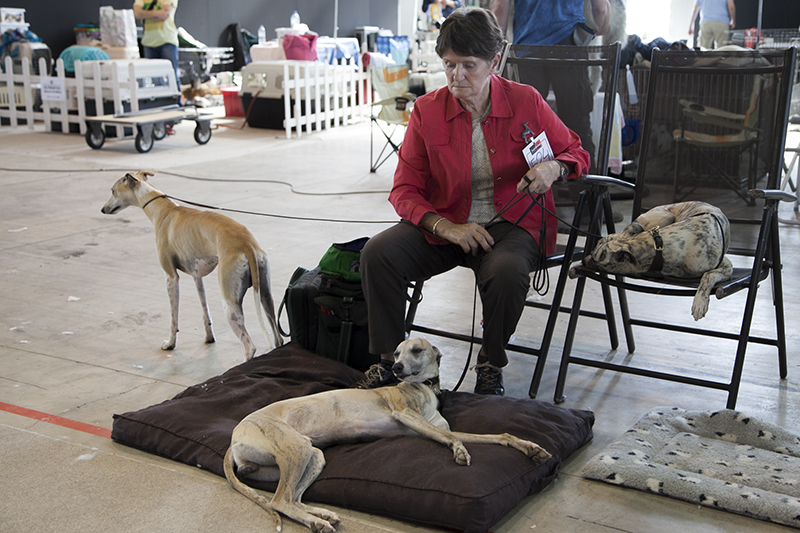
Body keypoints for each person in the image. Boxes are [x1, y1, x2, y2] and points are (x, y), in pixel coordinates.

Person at [356, 7, 590, 395]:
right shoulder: (427, 111)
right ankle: (387, 361)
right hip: (447, 224)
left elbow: (576, 151)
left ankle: (490, 362)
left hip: (512, 224)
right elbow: (403, 189)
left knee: (507, 271)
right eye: (449, 65)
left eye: (469, 65)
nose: (456, 76)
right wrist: (443, 226)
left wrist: (555, 168)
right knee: (378, 254)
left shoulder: (526, 101)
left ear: (494, 61)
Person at [492, 0, 610, 171]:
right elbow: (601, 8)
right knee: (577, 125)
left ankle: (534, 191)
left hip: (527, 50)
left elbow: (499, 8)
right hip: (569, 46)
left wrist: (497, 47)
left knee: (526, 128)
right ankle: (585, 192)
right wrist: (600, 29)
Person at [133, 0, 181, 94]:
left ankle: (177, 103)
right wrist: (156, 14)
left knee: (172, 76)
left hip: (167, 40)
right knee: (155, 79)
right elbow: (136, 13)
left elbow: (164, 15)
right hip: (148, 42)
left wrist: (145, 14)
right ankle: (162, 103)